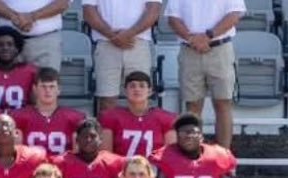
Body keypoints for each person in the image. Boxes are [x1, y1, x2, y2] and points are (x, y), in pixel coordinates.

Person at [165, 0, 243, 148]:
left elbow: (234, 15)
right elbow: (173, 18)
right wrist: (192, 39)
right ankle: (193, 156)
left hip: (220, 49)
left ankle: (223, 158)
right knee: (192, 104)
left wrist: (207, 37)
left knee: (223, 102)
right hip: (190, 50)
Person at [83, 0, 161, 113]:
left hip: (137, 43)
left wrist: (128, 34)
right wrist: (112, 35)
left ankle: (137, 130)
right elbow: (88, 11)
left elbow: (153, 10)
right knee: (106, 99)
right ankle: (107, 130)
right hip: (106, 43)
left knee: (139, 98)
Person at [98, 72, 176, 157]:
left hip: (153, 169)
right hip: (122, 169)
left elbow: (170, 158)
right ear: (125, 91)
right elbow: (106, 157)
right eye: (132, 86)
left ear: (150, 91)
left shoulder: (165, 118)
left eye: (142, 86)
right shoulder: (111, 117)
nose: (137, 89)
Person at [11, 68, 86, 156]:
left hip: (63, 168)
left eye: (52, 86)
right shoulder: (19, 117)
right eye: (43, 86)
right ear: (35, 89)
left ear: (58, 90)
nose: (47, 91)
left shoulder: (74, 118)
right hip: (31, 167)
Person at [53, 120, 124, 178]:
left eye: (93, 136)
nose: (88, 140)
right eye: (84, 136)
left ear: (100, 139)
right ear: (77, 139)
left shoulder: (113, 163)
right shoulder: (61, 163)